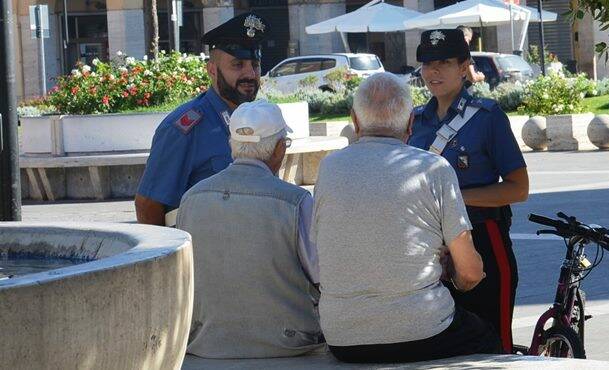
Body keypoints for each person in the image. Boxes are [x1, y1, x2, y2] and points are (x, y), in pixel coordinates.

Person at [311, 72, 502, 364]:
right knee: (489, 337)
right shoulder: (433, 168)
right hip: (422, 329)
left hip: (343, 336)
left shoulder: (329, 168)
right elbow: (471, 272)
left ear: (355, 120)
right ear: (411, 123)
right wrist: (455, 278)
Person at [408, 29, 529, 354]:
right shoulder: (414, 122)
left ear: (464, 67)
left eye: (444, 62)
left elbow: (519, 188)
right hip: (430, 249)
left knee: (493, 345)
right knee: (440, 347)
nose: (433, 71)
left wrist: (455, 200)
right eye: (427, 63)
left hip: (483, 239)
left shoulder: (488, 118)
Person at [177, 100, 325, 359]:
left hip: (207, 343)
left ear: (232, 144)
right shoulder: (296, 201)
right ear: (279, 149)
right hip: (288, 343)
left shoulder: (191, 198)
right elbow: (322, 274)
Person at [135, 12, 269, 226]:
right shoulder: (184, 128)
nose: (250, 74)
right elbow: (148, 204)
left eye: (255, 64)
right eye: (237, 65)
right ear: (212, 70)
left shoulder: (260, 120)